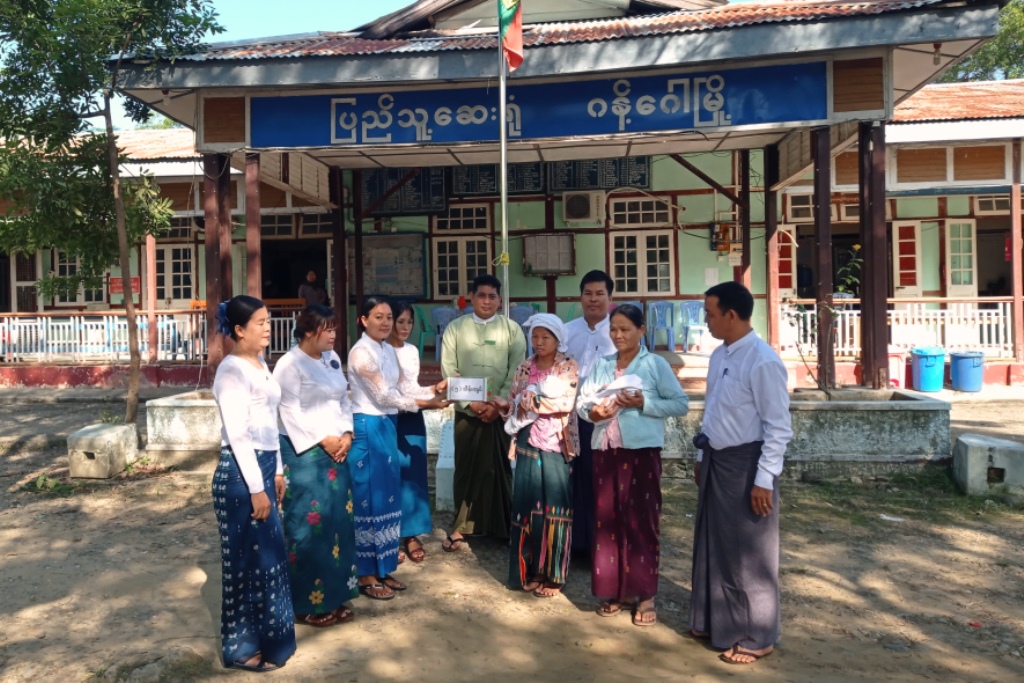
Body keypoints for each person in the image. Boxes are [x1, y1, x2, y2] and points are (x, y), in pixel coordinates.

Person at [688, 281, 792, 665]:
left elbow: (778, 427)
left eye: (710, 313)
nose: (706, 320)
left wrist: (764, 479)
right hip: (716, 459)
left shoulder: (763, 361)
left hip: (747, 465)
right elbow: (713, 409)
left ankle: (756, 634)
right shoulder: (720, 355)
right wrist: (702, 455)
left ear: (731, 315)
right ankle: (714, 620)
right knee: (715, 543)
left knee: (748, 553)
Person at [577, 303, 689, 628]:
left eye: (625, 329)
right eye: (613, 329)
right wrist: (593, 413)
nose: (618, 335)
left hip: (640, 453)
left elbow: (680, 404)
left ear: (642, 330)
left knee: (642, 521)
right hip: (605, 450)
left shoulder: (654, 364)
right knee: (608, 521)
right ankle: (617, 591)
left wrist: (644, 402)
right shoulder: (602, 364)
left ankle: (645, 593)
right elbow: (583, 402)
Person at [211, 295, 296, 672]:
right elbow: (239, 434)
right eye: (260, 322)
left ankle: (272, 642)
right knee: (246, 562)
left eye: (268, 320)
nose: (267, 328)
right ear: (239, 330)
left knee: (270, 557)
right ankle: (241, 648)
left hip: (263, 467)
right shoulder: (230, 371)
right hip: (239, 473)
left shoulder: (261, 363)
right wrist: (257, 488)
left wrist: (276, 471)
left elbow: (269, 425)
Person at [347, 296, 449, 599]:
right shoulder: (360, 352)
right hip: (367, 425)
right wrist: (427, 404)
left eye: (389, 317)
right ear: (363, 320)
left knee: (387, 499)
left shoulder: (387, 350)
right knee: (368, 499)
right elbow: (383, 396)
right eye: (378, 317)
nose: (386, 323)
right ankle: (365, 574)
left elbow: (404, 389)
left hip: (388, 425)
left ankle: (383, 568)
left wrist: (435, 389)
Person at [273, 305, 358, 628]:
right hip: (305, 453)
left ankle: (334, 595)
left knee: (337, 521)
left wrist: (347, 433)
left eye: (335, 328)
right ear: (309, 331)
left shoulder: (331, 358)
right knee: (307, 525)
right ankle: (305, 602)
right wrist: (323, 439)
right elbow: (289, 411)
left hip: (338, 450)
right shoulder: (289, 364)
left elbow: (343, 398)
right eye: (328, 329)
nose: (334, 335)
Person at [494, 313, 579, 597]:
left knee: (555, 506)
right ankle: (530, 570)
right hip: (527, 442)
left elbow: (565, 403)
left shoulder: (567, 366)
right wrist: (506, 406)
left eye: (546, 337)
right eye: (535, 336)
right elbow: (515, 402)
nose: (539, 342)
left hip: (556, 442)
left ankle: (553, 574)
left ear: (558, 339)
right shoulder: (524, 367)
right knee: (527, 505)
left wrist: (531, 402)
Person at [440, 274, 527, 551]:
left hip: (500, 411)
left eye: (492, 296)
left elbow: (518, 370)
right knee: (466, 468)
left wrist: (497, 405)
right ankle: (461, 526)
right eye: (481, 295)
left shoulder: (512, 330)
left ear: (500, 300)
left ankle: (502, 526)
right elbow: (449, 368)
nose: (486, 301)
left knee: (499, 469)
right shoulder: (455, 329)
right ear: (471, 298)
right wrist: (470, 403)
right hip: (468, 413)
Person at [386, 301, 449, 564]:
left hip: (413, 417)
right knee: (390, 475)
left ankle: (411, 534)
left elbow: (412, 389)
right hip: (389, 418)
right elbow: (389, 395)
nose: (405, 327)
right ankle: (387, 535)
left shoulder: (412, 350)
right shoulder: (378, 352)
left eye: (409, 322)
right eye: (399, 321)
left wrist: (434, 389)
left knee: (413, 475)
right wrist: (429, 402)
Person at [563, 270, 617, 555]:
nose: (593, 299)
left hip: (606, 419)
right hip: (571, 417)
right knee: (574, 478)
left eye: (599, 294)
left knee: (601, 480)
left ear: (610, 297)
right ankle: (577, 543)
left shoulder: (619, 331)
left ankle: (602, 545)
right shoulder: (567, 331)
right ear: (580, 296)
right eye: (588, 293)